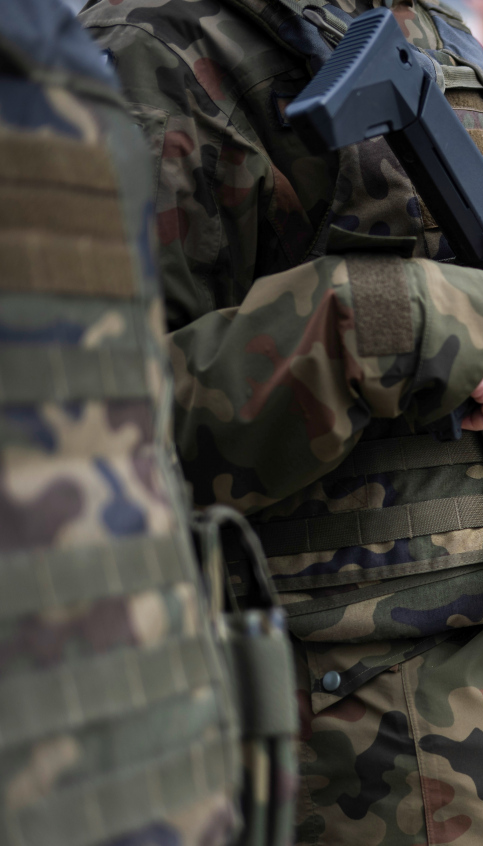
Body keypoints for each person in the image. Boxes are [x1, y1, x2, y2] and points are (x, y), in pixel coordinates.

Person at [78, 1, 483, 843]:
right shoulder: (154, 43)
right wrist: (392, 319)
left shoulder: (436, 32)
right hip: (360, 776)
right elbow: (83, 443)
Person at [0, 2, 265, 843]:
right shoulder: (145, 41)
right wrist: (378, 323)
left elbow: (133, 425)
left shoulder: (55, 58)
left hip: (155, 765)